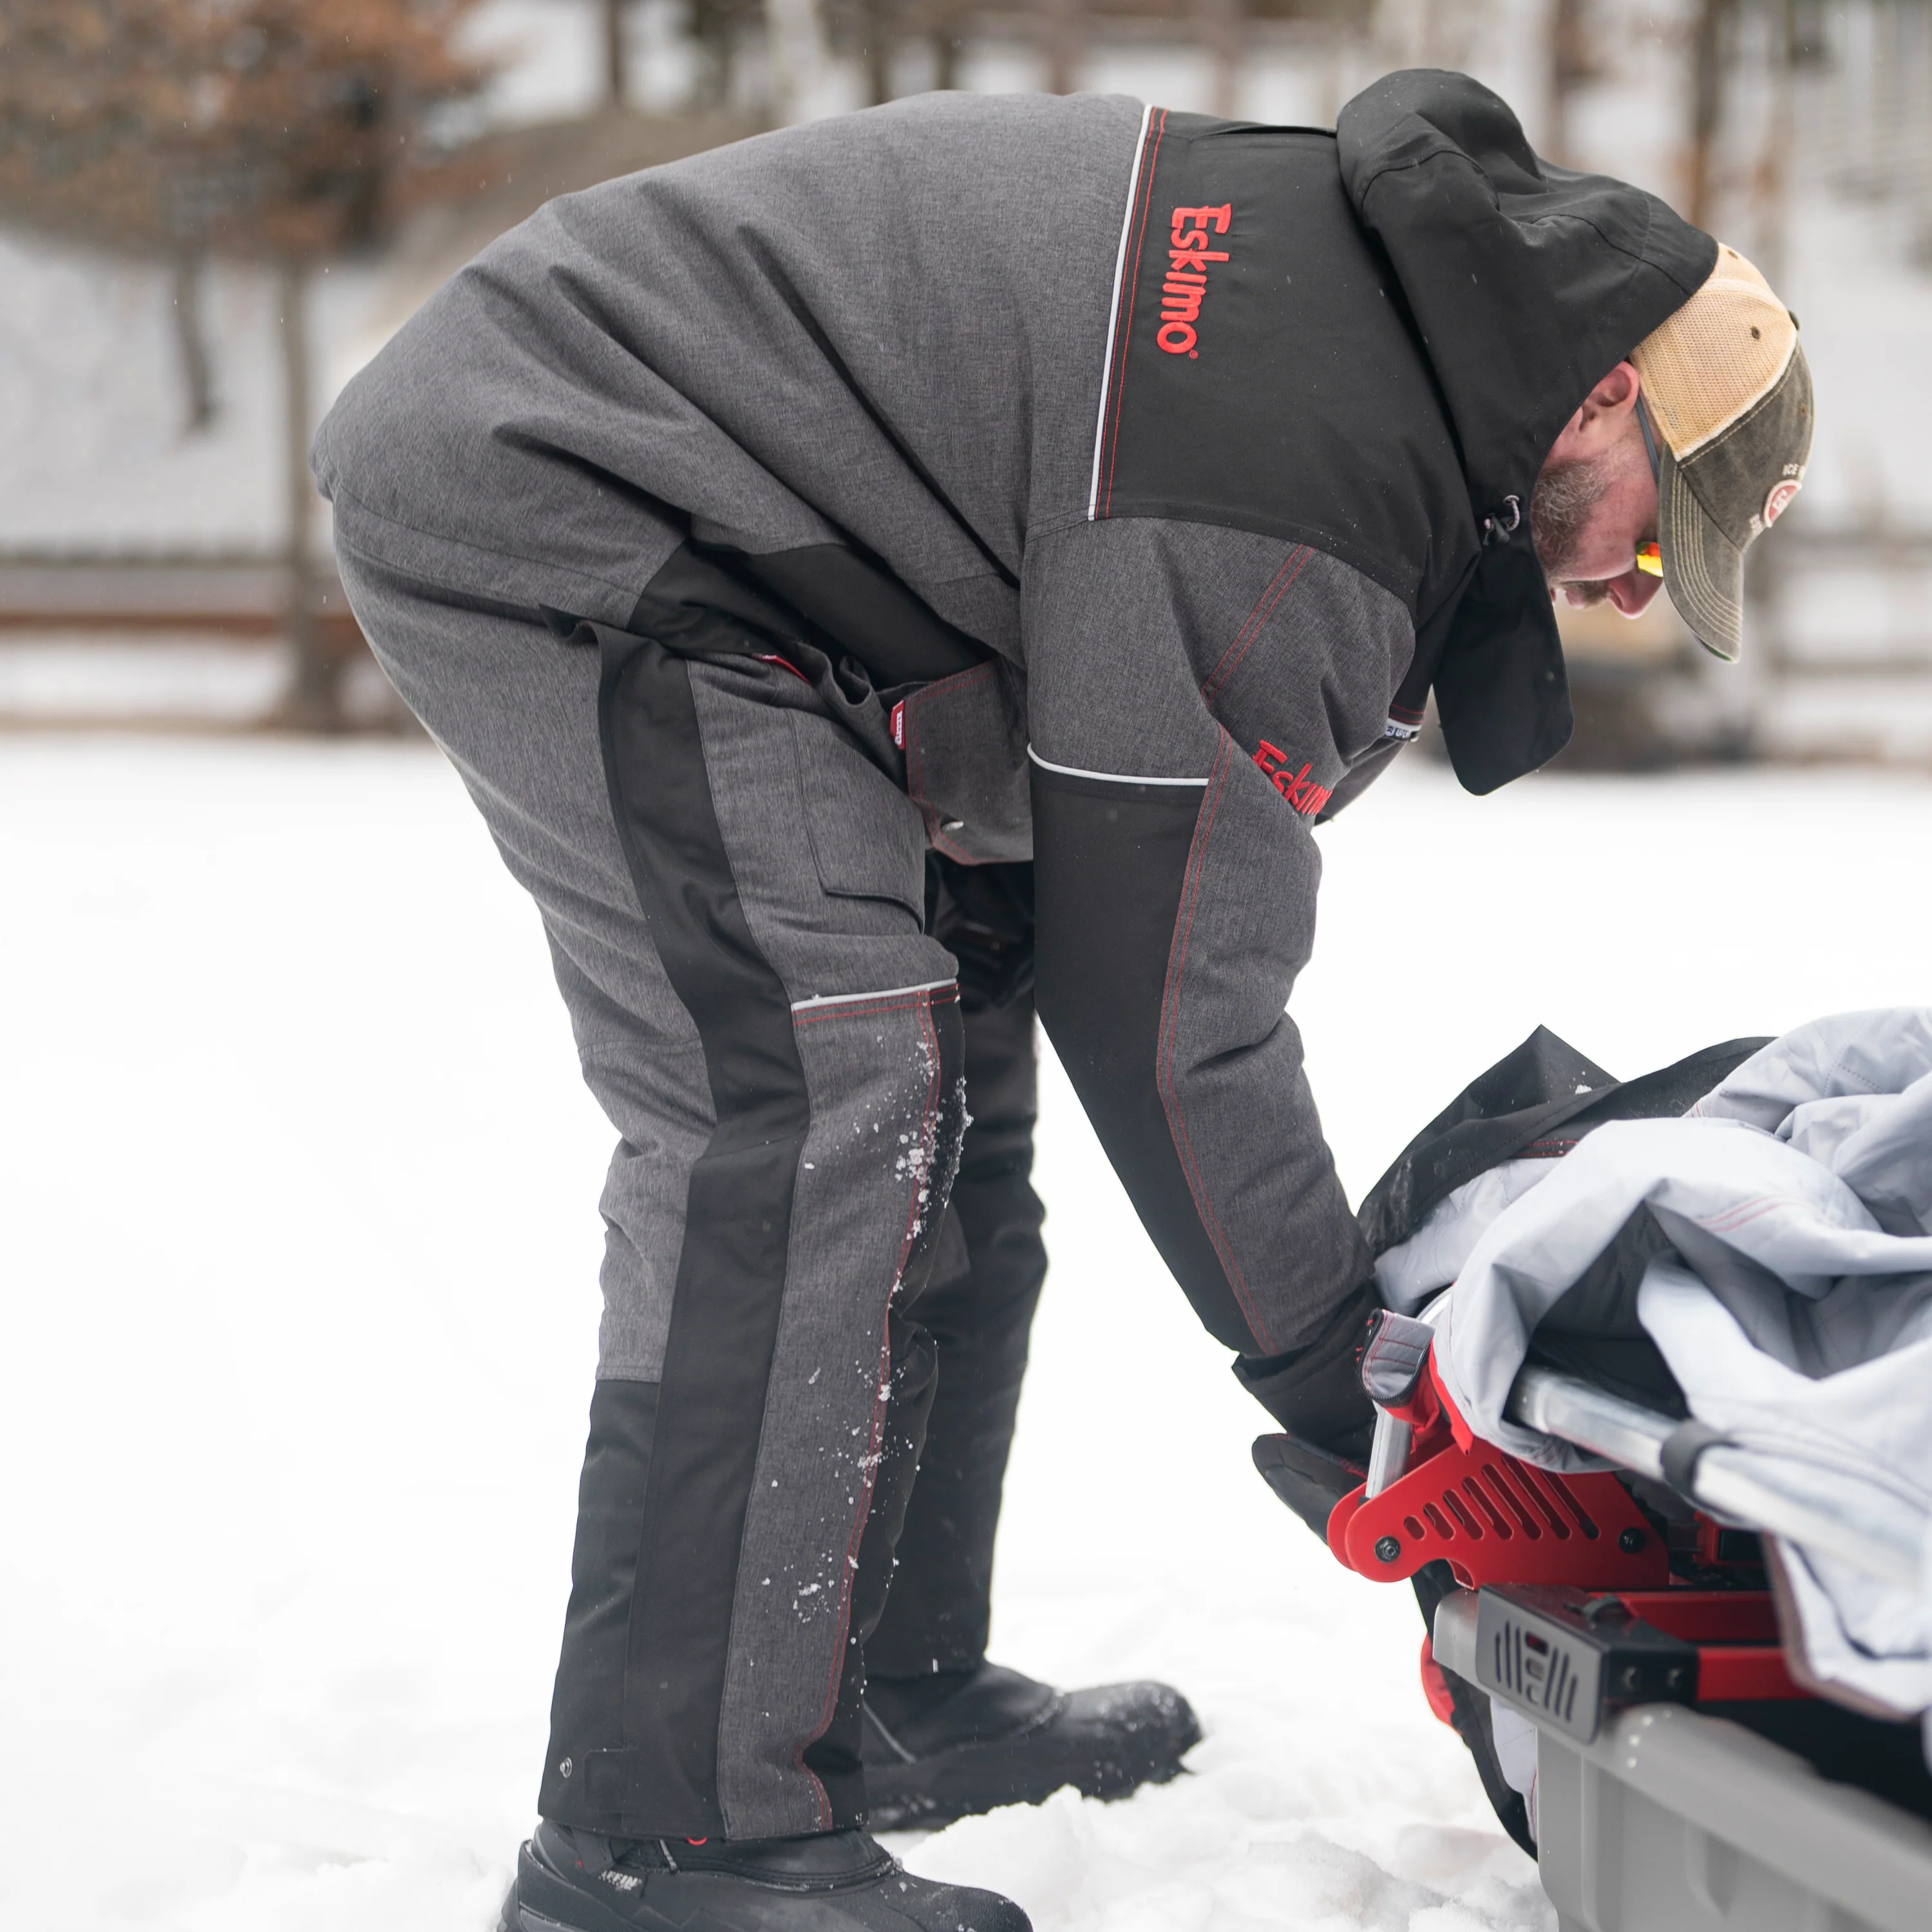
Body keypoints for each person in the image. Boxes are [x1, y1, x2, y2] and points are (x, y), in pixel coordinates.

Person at [312, 67, 1814, 1932]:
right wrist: (1350, 1381)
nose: (1626, 587)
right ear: (1602, 391)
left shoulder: (1392, 345)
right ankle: (661, 1834)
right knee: (816, 1102)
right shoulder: (1310, 470)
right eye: (1652, 537)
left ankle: (881, 1692)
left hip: (799, 550)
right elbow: (1176, 1008)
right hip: (583, 487)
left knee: (947, 1080)